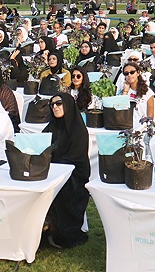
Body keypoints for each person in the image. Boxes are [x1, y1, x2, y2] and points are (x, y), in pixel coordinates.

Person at [41, 93, 90, 248]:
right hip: (52, 170)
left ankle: (60, 232)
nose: (55, 107)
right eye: (52, 104)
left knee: (62, 189)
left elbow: (76, 159)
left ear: (68, 104)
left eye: (59, 103)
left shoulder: (78, 130)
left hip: (74, 176)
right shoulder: (51, 127)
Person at [118, 62, 155, 127]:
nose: (129, 75)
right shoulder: (123, 90)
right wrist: (125, 91)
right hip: (126, 125)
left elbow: (150, 114)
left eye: (132, 72)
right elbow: (121, 108)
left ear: (138, 73)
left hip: (141, 126)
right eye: (126, 73)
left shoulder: (148, 92)